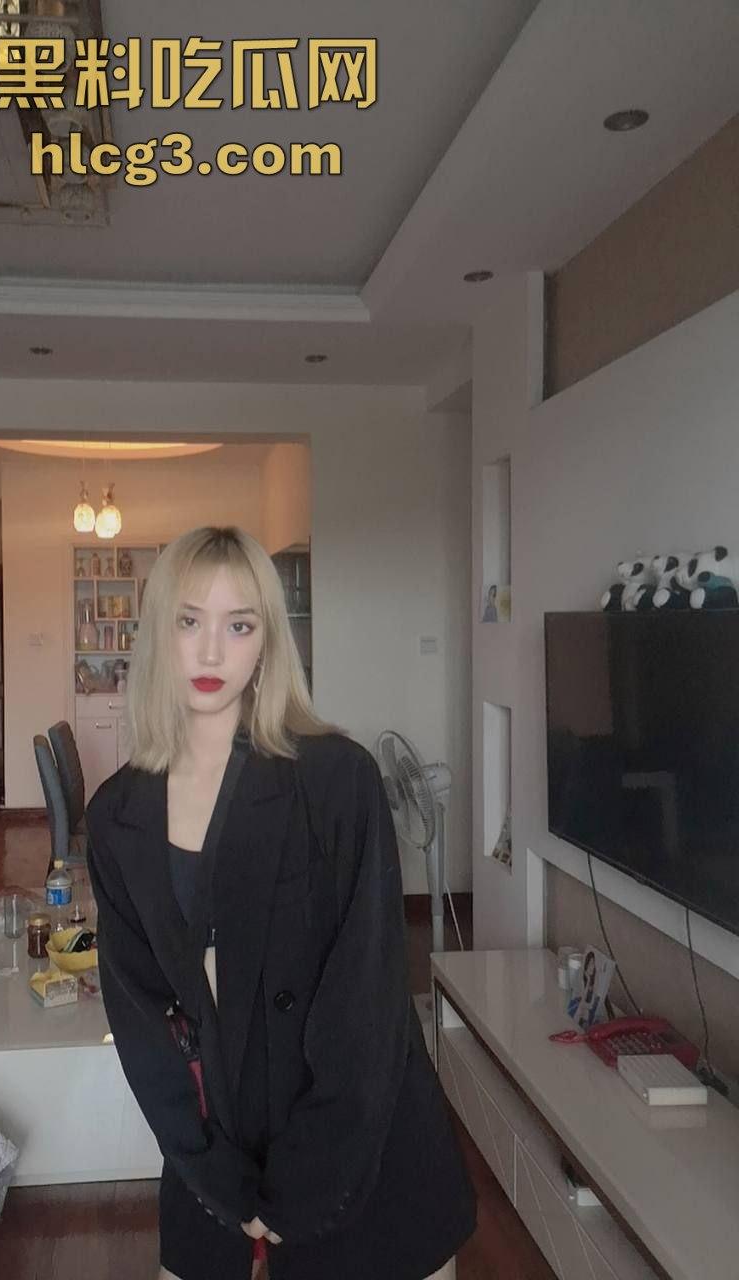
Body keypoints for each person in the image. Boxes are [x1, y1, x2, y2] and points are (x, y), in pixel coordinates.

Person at [85, 526, 477, 1280]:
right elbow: (142, 1021)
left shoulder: (336, 782)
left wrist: (304, 1184)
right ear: (158, 632)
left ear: (267, 642)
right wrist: (213, 1174)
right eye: (189, 621)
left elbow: (366, 1008)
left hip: (361, 1149)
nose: (210, 652)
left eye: (239, 626)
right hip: (215, 1149)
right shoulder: (116, 815)